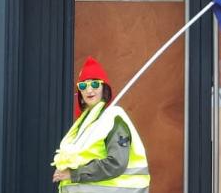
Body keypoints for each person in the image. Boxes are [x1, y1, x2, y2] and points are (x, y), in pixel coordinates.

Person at [52, 57, 150, 192]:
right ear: (79, 92)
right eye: (83, 86)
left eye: (95, 84)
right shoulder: (83, 125)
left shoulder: (113, 119)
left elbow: (116, 163)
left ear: (104, 88)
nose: (89, 90)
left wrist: (73, 174)